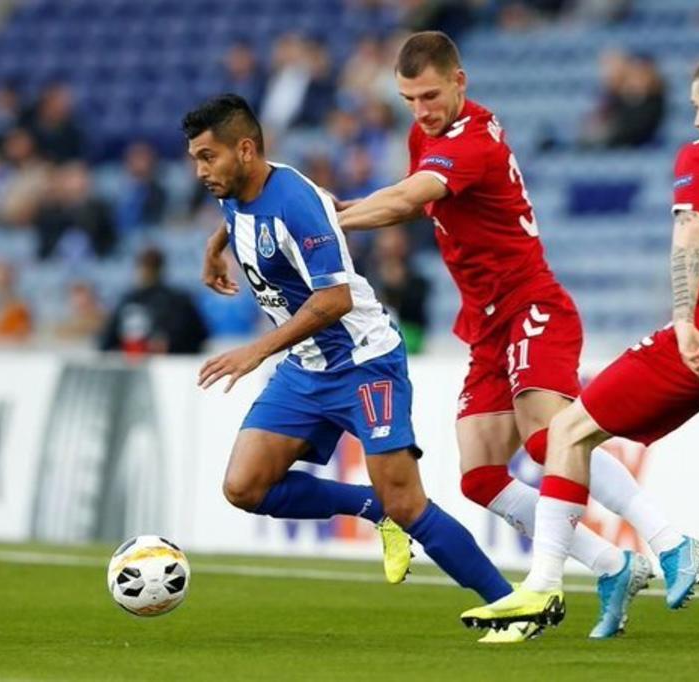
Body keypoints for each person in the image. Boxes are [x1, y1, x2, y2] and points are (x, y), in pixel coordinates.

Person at [463, 49, 699, 652]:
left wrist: (686, 319)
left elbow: (691, 228)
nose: (694, 120)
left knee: (568, 432)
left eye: (697, 108)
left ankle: (543, 581)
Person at [336, 31, 699, 640]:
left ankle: (670, 541)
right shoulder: (425, 134)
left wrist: (330, 218)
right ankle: (611, 565)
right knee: (480, 476)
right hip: (485, 324)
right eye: (408, 100)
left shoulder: (475, 138)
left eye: (430, 94)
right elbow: (411, 197)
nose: (421, 110)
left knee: (551, 439)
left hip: (530, 304)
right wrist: (343, 210)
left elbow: (409, 198)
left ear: (460, 81)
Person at [182, 94, 522, 643]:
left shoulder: (295, 203)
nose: (200, 172)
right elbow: (237, 218)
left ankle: (509, 603)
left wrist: (257, 349)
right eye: (196, 159)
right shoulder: (236, 189)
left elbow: (336, 298)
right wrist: (214, 245)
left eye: (207, 157)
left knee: (408, 502)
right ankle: (371, 510)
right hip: (307, 365)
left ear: (245, 150)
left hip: (364, 362)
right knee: (244, 487)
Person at [99, 246, 209, 355]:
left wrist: (171, 345)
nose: (146, 272)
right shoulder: (129, 300)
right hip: (134, 363)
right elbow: (107, 341)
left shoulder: (178, 301)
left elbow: (198, 336)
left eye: (150, 267)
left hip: (170, 365)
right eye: (145, 266)